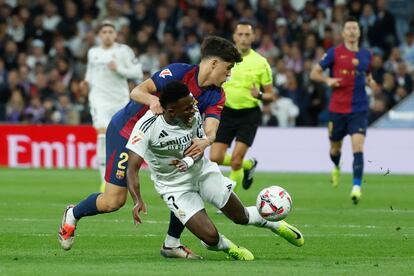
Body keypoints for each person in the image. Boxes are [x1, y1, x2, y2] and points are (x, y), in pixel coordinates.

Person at [58, 36, 242, 258]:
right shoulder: (178, 73)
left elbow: (212, 128)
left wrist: (207, 140)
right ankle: (73, 213)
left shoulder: (216, 94)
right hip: (128, 132)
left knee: (189, 179)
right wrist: (152, 101)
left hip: (164, 140)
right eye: (228, 68)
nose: (229, 74)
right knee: (113, 201)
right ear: (213, 63)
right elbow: (136, 92)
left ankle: (171, 244)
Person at [126, 81, 304, 260]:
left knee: (241, 217)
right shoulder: (146, 127)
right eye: (187, 108)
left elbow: (199, 147)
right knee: (210, 238)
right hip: (174, 187)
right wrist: (137, 199)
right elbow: (132, 168)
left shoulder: (192, 114)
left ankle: (273, 223)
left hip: (202, 172)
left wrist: (187, 161)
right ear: (171, 111)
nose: (193, 109)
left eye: (193, 104)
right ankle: (229, 247)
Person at [310, 16, 378, 204]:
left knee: (358, 146)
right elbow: (314, 73)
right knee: (334, 148)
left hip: (359, 109)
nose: (351, 31)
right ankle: (337, 164)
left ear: (359, 31)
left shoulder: (366, 55)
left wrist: (372, 83)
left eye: (355, 28)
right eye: (348, 28)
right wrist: (328, 80)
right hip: (337, 110)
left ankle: (356, 187)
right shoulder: (334, 53)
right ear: (343, 33)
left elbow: (369, 75)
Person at [210, 21, 276, 192]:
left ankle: (227, 196)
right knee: (214, 157)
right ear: (234, 37)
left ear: (253, 37)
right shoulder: (224, 59)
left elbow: (271, 95)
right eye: (240, 35)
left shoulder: (261, 62)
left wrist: (260, 95)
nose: (244, 38)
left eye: (247, 35)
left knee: (235, 161)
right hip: (225, 113)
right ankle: (249, 165)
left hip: (249, 115)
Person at [81, 20, 143, 192]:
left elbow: (137, 72)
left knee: (123, 140)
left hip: (120, 101)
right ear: (99, 35)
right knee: (101, 136)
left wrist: (119, 69)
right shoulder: (93, 52)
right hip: (98, 99)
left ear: (115, 34)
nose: (107, 34)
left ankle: (124, 176)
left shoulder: (123, 51)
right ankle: (104, 181)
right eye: (104, 31)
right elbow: (90, 73)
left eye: (110, 31)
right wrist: (85, 83)